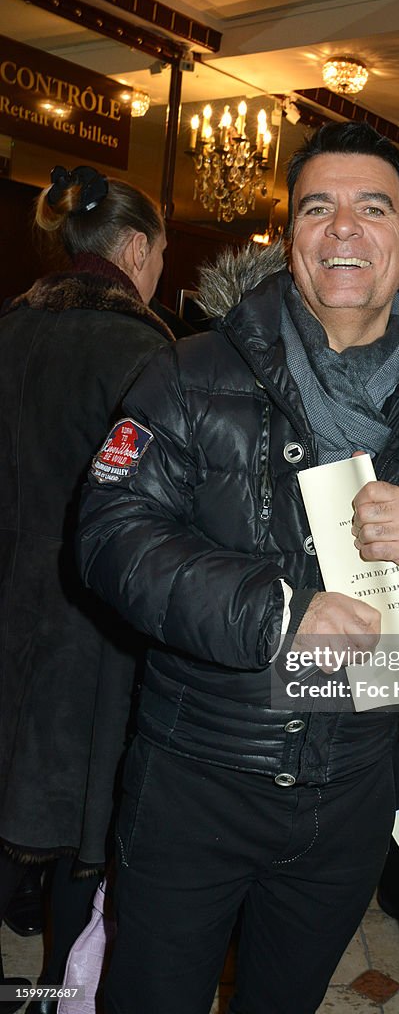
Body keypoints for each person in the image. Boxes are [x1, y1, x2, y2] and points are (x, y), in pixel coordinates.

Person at [77, 120, 399, 1014]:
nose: (344, 228)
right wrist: (276, 611)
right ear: (289, 244)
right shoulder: (191, 373)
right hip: (195, 776)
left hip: (351, 792)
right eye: (318, 208)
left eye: (372, 209)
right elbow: (109, 535)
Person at [0, 165, 173, 1014]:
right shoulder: (146, 352)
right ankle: (47, 998)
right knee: (85, 839)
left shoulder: (3, 331)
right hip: (95, 639)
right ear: (136, 248)